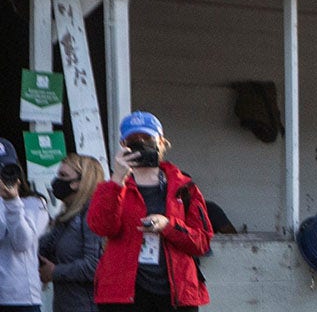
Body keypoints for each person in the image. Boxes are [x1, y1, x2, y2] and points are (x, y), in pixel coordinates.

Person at [88, 111, 213, 311]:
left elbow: (202, 242)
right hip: (123, 294)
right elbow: (101, 227)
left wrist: (168, 226)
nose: (141, 144)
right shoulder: (111, 187)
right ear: (123, 145)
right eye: (133, 140)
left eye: (147, 138)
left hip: (176, 293)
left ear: (161, 142)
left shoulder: (184, 187)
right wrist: (118, 180)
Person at [39, 154, 105, 312]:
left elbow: (94, 266)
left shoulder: (92, 214)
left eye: (63, 176)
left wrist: (55, 272)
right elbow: (42, 248)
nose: (57, 180)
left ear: (80, 182)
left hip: (86, 305)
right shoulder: (68, 216)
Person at [1, 137, 49, 312]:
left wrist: (12, 202)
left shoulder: (34, 203)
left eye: (6, 170)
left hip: (20, 297)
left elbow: (22, 242)